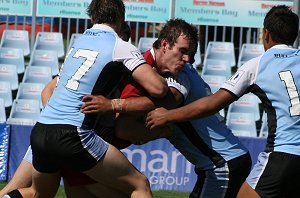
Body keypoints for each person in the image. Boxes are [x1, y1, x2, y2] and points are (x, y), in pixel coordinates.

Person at [4, 0, 169, 197]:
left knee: (37, 193)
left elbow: (51, 90)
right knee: (139, 184)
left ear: (91, 18)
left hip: (41, 130)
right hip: (73, 134)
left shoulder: (78, 43)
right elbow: (158, 89)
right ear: (121, 18)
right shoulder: (121, 46)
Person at [80, 18, 251, 198]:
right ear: (164, 45)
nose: (187, 59)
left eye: (190, 54)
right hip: (218, 163)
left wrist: (113, 106)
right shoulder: (148, 68)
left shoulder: (178, 75)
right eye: (182, 51)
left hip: (222, 164)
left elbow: (167, 103)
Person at [146, 5, 300, 198]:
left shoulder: (257, 65)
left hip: (281, 153)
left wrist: (167, 115)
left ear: (265, 33)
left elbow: (212, 104)